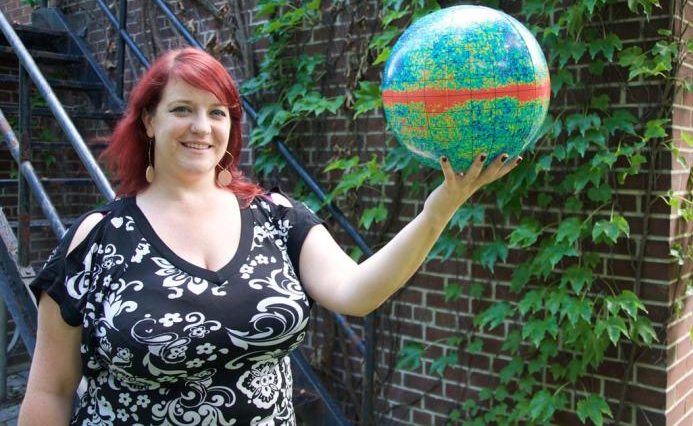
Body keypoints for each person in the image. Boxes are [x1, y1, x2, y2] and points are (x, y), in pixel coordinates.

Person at [18, 47, 521, 425]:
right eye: (181, 109)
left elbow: (357, 292)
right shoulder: (97, 241)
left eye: (217, 112)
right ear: (148, 120)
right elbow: (50, 390)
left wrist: (439, 209)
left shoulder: (275, 217)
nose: (202, 126)